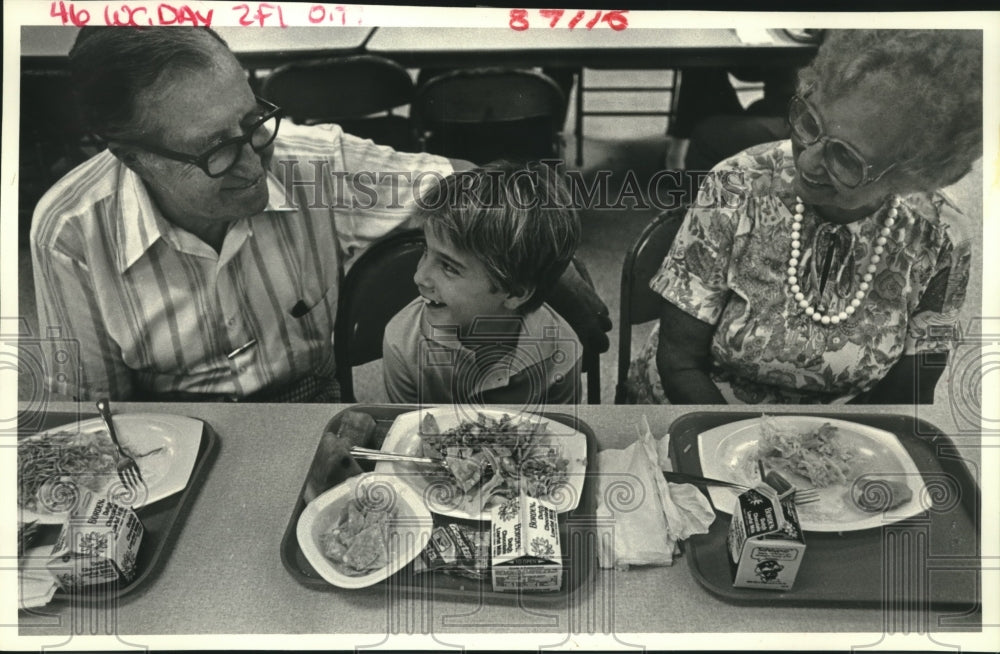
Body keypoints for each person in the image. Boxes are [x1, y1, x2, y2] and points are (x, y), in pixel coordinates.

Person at [30, 26, 457, 402]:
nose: (256, 168)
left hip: (312, 420)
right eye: (216, 150)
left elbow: (480, 190)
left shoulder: (318, 164)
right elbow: (97, 416)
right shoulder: (69, 233)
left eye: (253, 120)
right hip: (173, 446)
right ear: (134, 159)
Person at [628, 29, 981, 404]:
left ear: (912, 177)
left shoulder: (942, 238)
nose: (807, 161)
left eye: (846, 158)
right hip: (701, 409)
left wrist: (833, 448)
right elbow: (679, 362)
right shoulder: (735, 184)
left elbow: (909, 393)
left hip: (840, 435)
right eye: (810, 122)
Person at [382, 161, 583, 405]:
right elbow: (411, 435)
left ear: (515, 293)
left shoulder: (563, 351)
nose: (419, 277)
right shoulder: (402, 343)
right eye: (426, 250)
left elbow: (558, 438)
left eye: (448, 266)